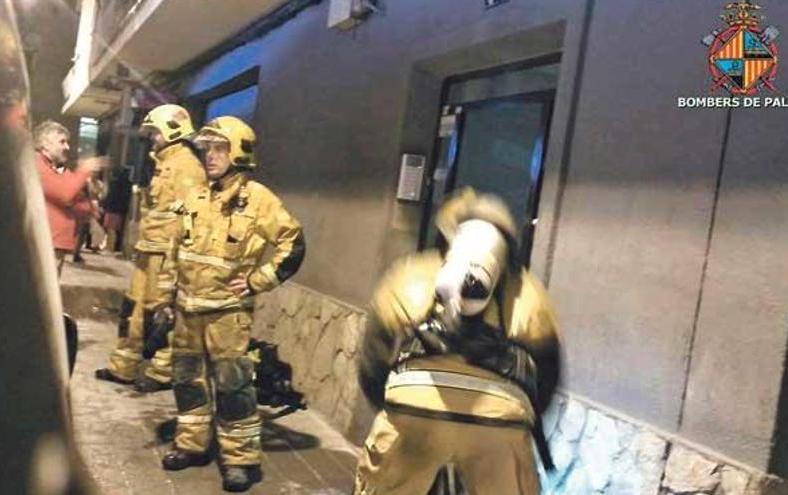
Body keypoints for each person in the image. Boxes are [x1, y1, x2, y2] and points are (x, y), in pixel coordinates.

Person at [353, 188, 560, 495]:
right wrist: (519, 421)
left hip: (416, 405)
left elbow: (374, 360)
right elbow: (548, 376)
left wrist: (393, 410)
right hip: (499, 420)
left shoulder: (411, 273)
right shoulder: (528, 290)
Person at [162, 116, 305, 493]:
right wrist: (165, 296)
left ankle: (240, 461)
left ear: (238, 151)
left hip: (228, 315)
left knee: (233, 389)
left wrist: (259, 281)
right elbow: (174, 249)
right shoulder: (195, 195)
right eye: (208, 147)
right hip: (187, 313)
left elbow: (293, 244)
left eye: (219, 147)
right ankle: (190, 445)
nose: (210, 155)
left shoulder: (258, 199)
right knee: (187, 382)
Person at [95, 104, 206, 392]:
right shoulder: (165, 162)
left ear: (171, 130)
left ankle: (162, 372)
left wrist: (180, 260)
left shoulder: (187, 167)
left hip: (166, 256)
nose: (152, 138)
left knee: (161, 315)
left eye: (155, 132)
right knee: (133, 310)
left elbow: (192, 217)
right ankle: (123, 367)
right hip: (149, 251)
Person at [33, 120, 105, 276]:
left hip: (52, 244)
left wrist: (89, 208)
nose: (67, 147)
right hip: (44, 245)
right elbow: (65, 194)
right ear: (45, 144)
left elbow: (78, 203)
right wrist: (84, 170)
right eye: (62, 142)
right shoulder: (36, 164)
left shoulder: (52, 168)